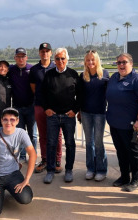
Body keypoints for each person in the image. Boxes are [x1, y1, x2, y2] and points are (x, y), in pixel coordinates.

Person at [0, 107, 36, 218]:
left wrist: (26, 179)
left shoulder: (21, 133)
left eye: (12, 119)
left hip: (13, 174)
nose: (8, 122)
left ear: (17, 121)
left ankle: (4, 190)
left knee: (26, 198)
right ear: (1, 120)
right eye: (5, 119)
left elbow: (33, 154)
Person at [106, 53, 138, 192]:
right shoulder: (114, 77)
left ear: (131, 63)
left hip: (133, 125)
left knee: (134, 152)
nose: (121, 65)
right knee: (121, 152)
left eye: (124, 62)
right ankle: (124, 176)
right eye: (118, 63)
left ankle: (135, 179)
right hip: (115, 123)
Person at [42, 48, 80, 184]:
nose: (60, 61)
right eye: (57, 59)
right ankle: (50, 171)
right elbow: (42, 94)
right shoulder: (49, 75)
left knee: (70, 144)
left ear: (67, 59)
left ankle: (69, 170)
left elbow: (80, 96)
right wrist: (46, 109)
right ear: (54, 60)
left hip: (68, 117)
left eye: (62, 58)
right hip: (52, 116)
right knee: (51, 143)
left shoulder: (74, 74)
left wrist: (74, 111)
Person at [29, 43, 63, 173]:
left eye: (47, 51)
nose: (45, 53)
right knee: (43, 135)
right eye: (42, 51)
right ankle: (45, 159)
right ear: (39, 53)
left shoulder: (56, 67)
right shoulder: (34, 70)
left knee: (57, 135)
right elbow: (33, 88)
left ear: (51, 53)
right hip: (39, 106)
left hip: (55, 107)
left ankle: (57, 160)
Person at [79, 50, 109, 181]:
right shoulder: (82, 76)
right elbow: (79, 95)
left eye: (93, 59)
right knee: (89, 142)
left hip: (99, 114)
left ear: (97, 60)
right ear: (85, 61)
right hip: (85, 113)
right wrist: (79, 111)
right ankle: (90, 168)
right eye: (88, 60)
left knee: (98, 142)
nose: (90, 62)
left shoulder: (105, 74)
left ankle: (101, 169)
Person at [9, 48, 37, 162]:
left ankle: (32, 156)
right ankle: (22, 156)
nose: (21, 58)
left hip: (31, 107)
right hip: (17, 108)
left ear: (27, 57)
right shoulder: (11, 70)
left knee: (33, 134)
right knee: (19, 134)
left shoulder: (32, 69)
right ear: (15, 58)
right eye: (18, 56)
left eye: (23, 56)